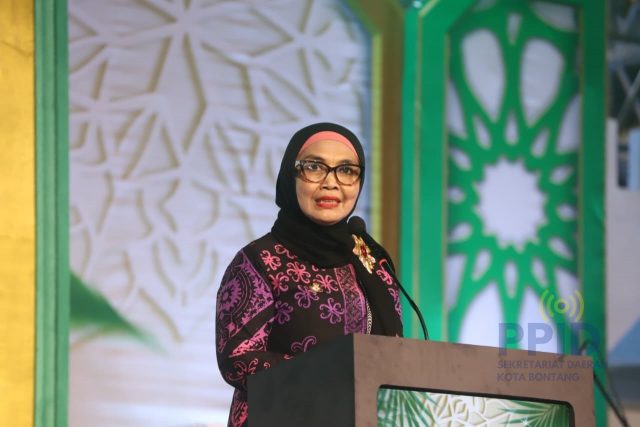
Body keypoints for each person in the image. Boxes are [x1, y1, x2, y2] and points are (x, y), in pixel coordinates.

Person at [215, 122, 403, 427]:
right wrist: (336, 374)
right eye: (314, 167)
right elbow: (238, 359)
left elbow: (396, 353)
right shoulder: (260, 260)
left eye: (347, 170)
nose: (331, 183)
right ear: (290, 177)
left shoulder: (372, 260)